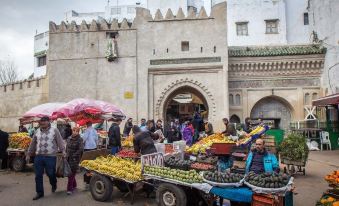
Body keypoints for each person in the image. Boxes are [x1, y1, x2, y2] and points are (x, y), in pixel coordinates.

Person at [26, 116, 66, 200]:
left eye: (44, 121)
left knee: (50, 173)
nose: (42, 123)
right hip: (39, 157)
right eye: (41, 121)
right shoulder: (37, 131)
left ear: (49, 122)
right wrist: (29, 154)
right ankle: (39, 193)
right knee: (38, 175)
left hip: (50, 157)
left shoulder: (54, 130)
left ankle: (54, 183)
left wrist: (63, 151)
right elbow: (33, 143)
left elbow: (60, 141)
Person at [65, 127, 83, 195]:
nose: (75, 132)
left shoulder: (80, 139)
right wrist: (66, 154)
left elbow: (81, 149)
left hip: (75, 159)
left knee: (71, 174)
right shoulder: (69, 138)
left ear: (78, 132)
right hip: (68, 158)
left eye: (76, 131)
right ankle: (74, 185)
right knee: (71, 173)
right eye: (74, 131)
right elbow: (67, 147)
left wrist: (75, 155)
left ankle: (69, 189)